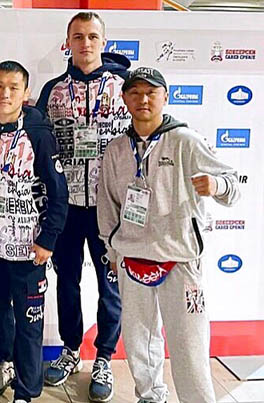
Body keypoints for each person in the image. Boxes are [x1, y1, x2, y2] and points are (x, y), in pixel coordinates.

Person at [97, 67, 240, 403]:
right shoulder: (116, 149)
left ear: (165, 96)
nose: (143, 100)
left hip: (179, 258)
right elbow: (107, 203)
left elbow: (232, 185)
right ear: (124, 99)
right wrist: (112, 252)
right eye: (135, 93)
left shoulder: (186, 141)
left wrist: (216, 185)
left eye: (151, 92)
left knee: (189, 345)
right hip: (132, 257)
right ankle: (150, 396)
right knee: (139, 341)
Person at [36, 12, 131, 402]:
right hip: (67, 206)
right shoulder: (53, 90)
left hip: (111, 207)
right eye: (78, 37)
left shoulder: (125, 87)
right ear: (68, 43)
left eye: (92, 36)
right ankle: (71, 349)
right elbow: (37, 139)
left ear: (103, 42)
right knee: (67, 282)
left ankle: (104, 356)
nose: (86, 43)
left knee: (111, 285)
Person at [0, 60, 68, 403]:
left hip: (28, 249)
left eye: (14, 87)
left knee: (29, 324)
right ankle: (7, 363)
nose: (5, 94)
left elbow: (59, 193)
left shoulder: (38, 135)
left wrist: (47, 240)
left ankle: (27, 391)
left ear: (26, 93)